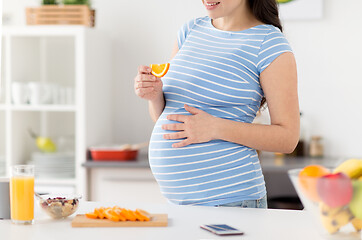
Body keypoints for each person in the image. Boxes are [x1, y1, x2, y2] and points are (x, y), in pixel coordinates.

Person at [134, 0, 299, 208]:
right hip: (177, 204)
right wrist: (155, 95)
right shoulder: (190, 30)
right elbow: (167, 119)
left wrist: (215, 127)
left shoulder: (269, 43)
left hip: (231, 201)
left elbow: (288, 138)